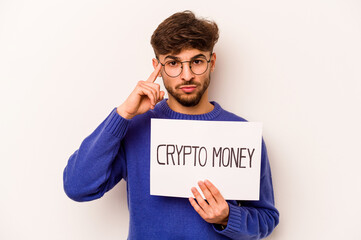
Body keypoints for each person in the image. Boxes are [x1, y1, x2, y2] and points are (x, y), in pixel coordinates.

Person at [63, 10, 279, 239]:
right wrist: (123, 114)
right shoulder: (135, 128)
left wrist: (227, 217)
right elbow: (78, 187)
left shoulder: (241, 134)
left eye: (196, 61)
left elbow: (266, 217)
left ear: (212, 62)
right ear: (158, 67)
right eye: (173, 63)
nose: (186, 75)